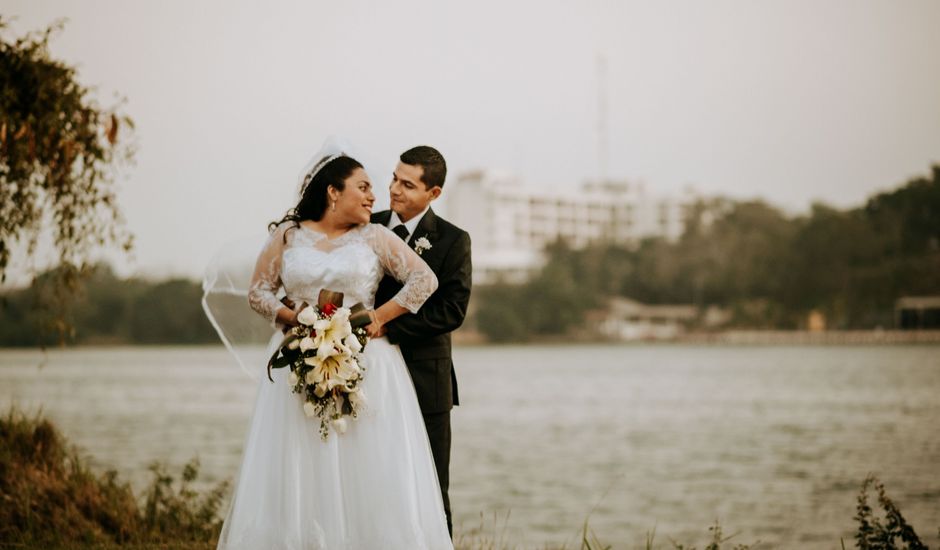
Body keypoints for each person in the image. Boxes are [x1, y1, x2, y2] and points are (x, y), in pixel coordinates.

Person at [216, 153, 454, 549]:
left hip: (367, 363)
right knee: (300, 459)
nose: (372, 197)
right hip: (298, 359)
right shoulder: (290, 235)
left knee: (368, 464)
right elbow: (258, 292)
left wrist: (378, 317)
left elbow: (423, 280)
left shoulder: (375, 236)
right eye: (363, 187)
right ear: (332, 191)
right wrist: (294, 319)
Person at [370, 146, 472, 536]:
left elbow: (452, 311)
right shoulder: (367, 225)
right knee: (374, 479)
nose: (394, 189)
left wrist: (387, 328)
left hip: (425, 379)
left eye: (408, 184)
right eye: (394, 178)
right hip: (368, 376)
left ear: (434, 194)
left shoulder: (453, 240)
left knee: (431, 486)